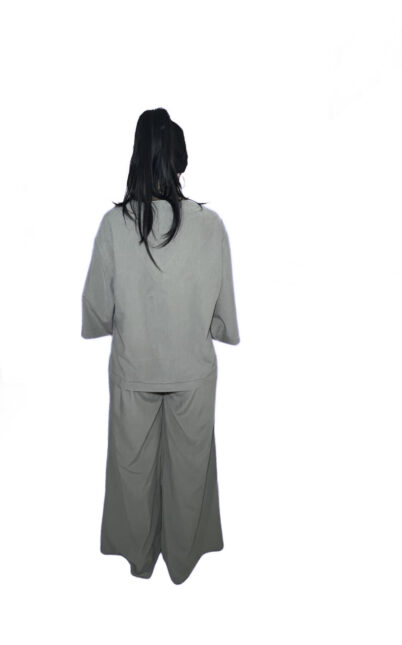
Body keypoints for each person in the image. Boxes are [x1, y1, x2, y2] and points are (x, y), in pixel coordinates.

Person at [81, 107, 240, 584]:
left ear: (136, 157)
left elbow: (97, 312)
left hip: (135, 370)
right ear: (181, 159)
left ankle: (139, 558)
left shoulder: (115, 226)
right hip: (192, 370)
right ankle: (183, 561)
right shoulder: (210, 226)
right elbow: (224, 316)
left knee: (132, 472)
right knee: (190, 471)